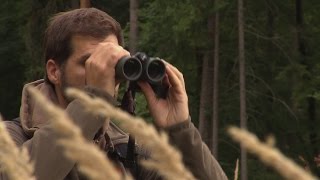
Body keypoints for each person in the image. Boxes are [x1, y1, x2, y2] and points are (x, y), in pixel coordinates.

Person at [1, 8, 227, 180]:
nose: (102, 72)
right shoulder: (12, 138)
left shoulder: (128, 150)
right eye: (90, 63)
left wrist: (179, 130)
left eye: (111, 64)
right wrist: (93, 102)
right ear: (54, 71)